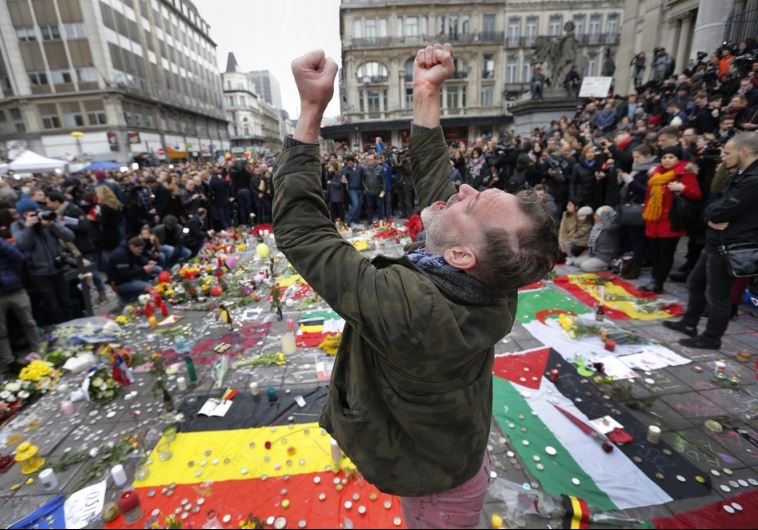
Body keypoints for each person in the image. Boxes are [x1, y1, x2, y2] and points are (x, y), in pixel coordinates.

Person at [273, 44, 557, 529]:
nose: (461, 191)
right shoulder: (498, 276)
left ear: (462, 256)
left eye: (469, 204)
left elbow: (303, 232)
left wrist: (311, 111)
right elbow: (437, 189)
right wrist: (426, 91)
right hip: (453, 452)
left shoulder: (412, 306)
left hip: (435, 489)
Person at [664, 133, 758, 349]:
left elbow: (722, 210)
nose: (723, 157)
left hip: (731, 243)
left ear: (744, 152)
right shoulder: (741, 174)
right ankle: (689, 323)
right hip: (716, 240)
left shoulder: (753, 180)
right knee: (696, 282)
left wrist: (713, 216)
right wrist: (712, 216)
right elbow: (714, 207)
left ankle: (711, 338)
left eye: (727, 153)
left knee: (718, 295)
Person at [641, 145, 702, 293]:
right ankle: (654, 279)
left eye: (671, 157)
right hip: (654, 219)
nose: (667, 160)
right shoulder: (655, 175)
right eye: (664, 157)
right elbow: (648, 197)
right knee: (654, 253)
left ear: (678, 159)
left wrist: (682, 188)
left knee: (665, 254)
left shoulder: (685, 174)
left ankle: (658, 283)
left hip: (671, 220)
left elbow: (697, 195)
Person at [11, 202, 76, 325]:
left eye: (33, 212)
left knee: (66, 301)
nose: (32, 215)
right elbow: (23, 245)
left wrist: (52, 224)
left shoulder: (46, 219)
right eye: (27, 213)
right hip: (39, 273)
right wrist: (29, 227)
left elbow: (69, 236)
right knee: (52, 305)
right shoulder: (17, 225)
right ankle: (61, 329)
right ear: (22, 215)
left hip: (58, 268)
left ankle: (73, 325)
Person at [0, 238, 40, 374]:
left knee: (28, 322)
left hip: (14, 288)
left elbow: (18, 257)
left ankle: (38, 350)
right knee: (1, 331)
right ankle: (8, 361)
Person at [106, 237, 156, 303]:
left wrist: (148, 262)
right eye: (139, 249)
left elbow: (139, 259)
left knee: (155, 271)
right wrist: (143, 270)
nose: (141, 251)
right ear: (132, 246)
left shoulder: (130, 250)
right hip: (120, 283)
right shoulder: (121, 255)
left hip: (128, 278)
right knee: (149, 287)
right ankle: (128, 299)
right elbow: (124, 274)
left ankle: (139, 295)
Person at [572, 205, 619, 272]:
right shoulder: (597, 225)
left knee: (585, 266)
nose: (594, 217)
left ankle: (606, 267)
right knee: (576, 262)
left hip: (604, 257)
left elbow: (608, 227)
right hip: (594, 255)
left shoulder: (612, 225)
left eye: (597, 216)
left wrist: (604, 212)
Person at [342, 156, 364, 225]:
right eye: (348, 163)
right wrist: (343, 179)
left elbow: (363, 178)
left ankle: (356, 220)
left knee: (359, 206)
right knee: (355, 204)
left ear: (353, 162)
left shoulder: (360, 168)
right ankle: (348, 220)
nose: (349, 164)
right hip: (352, 190)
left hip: (360, 189)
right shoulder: (346, 169)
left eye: (350, 163)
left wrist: (365, 187)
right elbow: (343, 176)